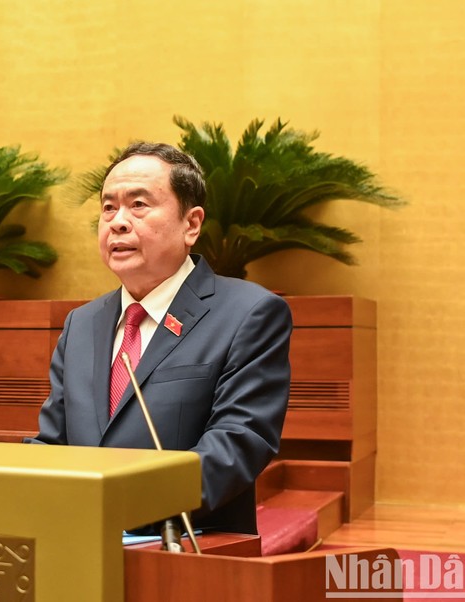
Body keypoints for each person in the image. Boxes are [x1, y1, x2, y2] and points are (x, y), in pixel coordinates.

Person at [26, 142, 292, 535]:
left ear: (192, 224)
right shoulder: (80, 324)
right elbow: (54, 443)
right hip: (77, 542)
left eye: (138, 205)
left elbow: (237, 444)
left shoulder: (249, 313)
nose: (117, 221)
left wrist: (117, 506)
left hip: (186, 551)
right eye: (108, 207)